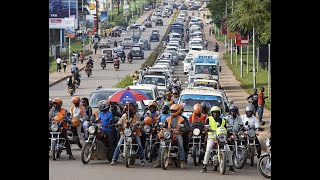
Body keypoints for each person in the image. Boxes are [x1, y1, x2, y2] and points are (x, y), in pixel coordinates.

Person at [201, 106, 235, 173]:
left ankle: (231, 166)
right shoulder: (209, 119)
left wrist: (228, 131)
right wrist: (207, 129)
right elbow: (206, 127)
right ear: (212, 113)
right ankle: (204, 166)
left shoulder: (223, 120)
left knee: (228, 150)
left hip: (221, 137)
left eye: (217, 113)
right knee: (208, 148)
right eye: (214, 113)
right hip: (212, 137)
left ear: (219, 113)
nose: (215, 114)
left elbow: (226, 129)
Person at [154, 104, 187, 168]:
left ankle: (182, 160)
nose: (172, 112)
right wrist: (162, 127)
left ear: (177, 111)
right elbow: (164, 126)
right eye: (171, 111)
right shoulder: (168, 119)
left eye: (174, 111)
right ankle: (159, 161)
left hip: (177, 134)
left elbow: (184, 128)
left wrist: (181, 129)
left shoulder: (181, 119)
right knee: (161, 144)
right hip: (169, 133)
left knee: (180, 145)